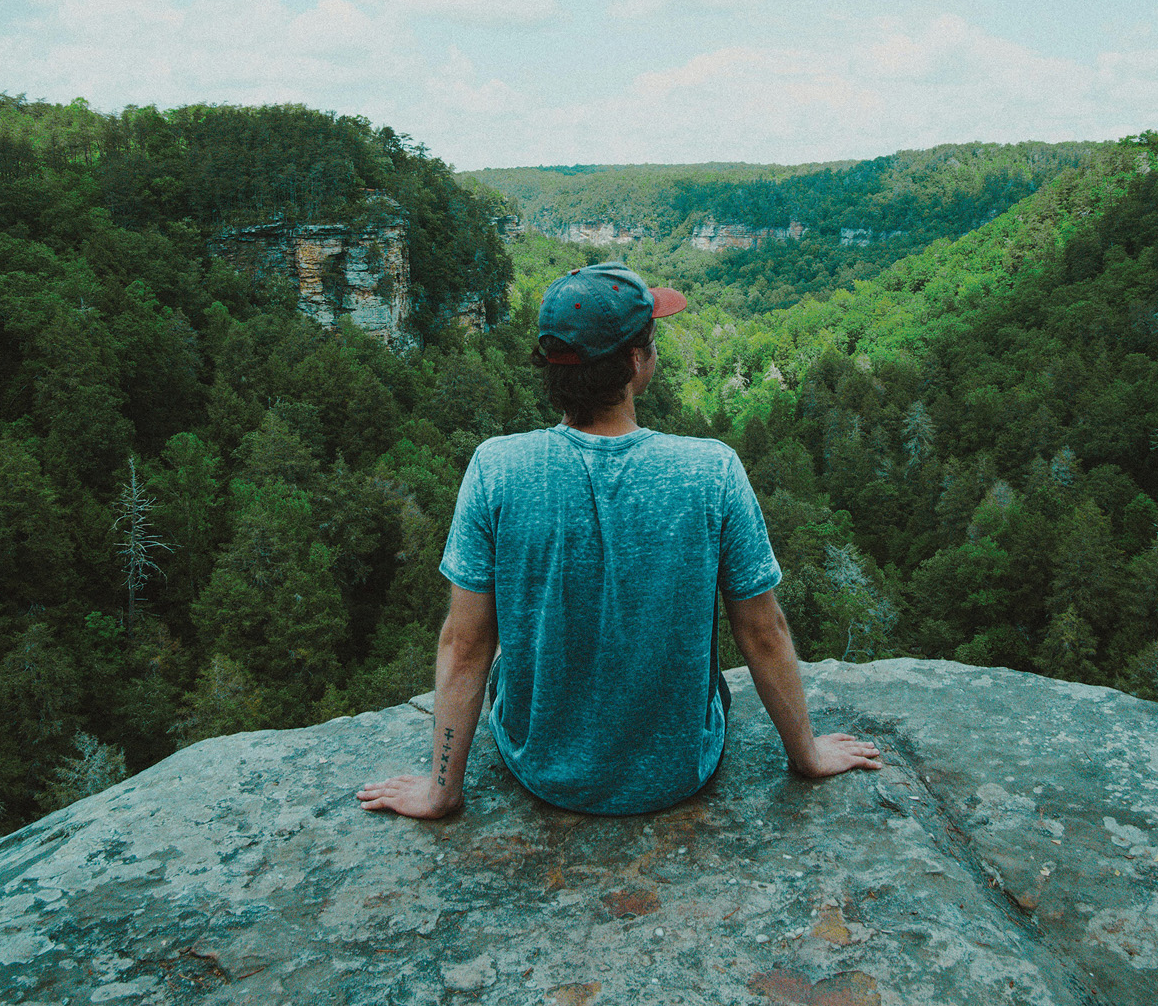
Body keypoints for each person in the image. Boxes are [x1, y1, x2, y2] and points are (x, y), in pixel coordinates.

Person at [358, 261, 880, 819]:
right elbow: (762, 631)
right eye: (651, 343)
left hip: (540, 770)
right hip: (679, 772)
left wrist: (440, 791)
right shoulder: (709, 471)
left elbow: (465, 644)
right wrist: (808, 754)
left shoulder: (498, 467)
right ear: (635, 363)